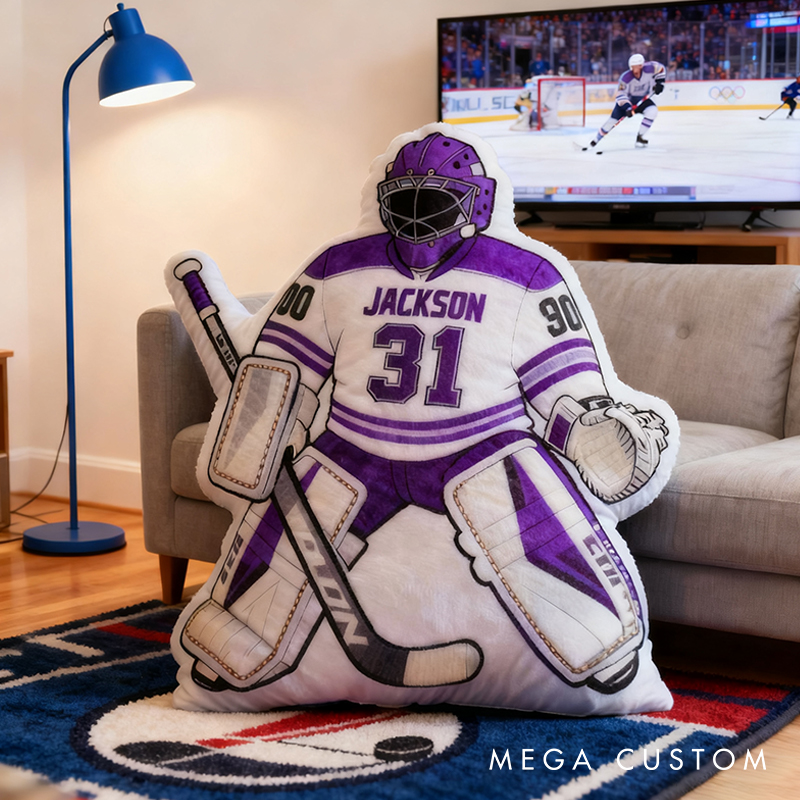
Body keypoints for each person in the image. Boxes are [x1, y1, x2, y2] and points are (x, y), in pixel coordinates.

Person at [170, 129, 670, 698]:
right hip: (356, 445)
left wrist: (588, 430)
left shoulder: (526, 274)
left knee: (531, 518)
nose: (413, 219)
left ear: (476, 204)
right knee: (289, 535)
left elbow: (562, 386)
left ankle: (597, 639)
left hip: (480, 443)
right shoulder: (338, 266)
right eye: (401, 202)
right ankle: (235, 645)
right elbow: (285, 361)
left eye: (431, 203)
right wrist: (267, 425)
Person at [588, 53, 666, 149]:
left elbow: (661, 69)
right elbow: (621, 95)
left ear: (641, 65)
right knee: (611, 121)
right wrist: (627, 108)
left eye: (635, 67)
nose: (633, 69)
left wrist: (660, 82)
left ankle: (640, 137)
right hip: (626, 102)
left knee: (652, 111)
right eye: (632, 67)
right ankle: (596, 140)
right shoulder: (625, 78)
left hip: (642, 100)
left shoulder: (649, 68)